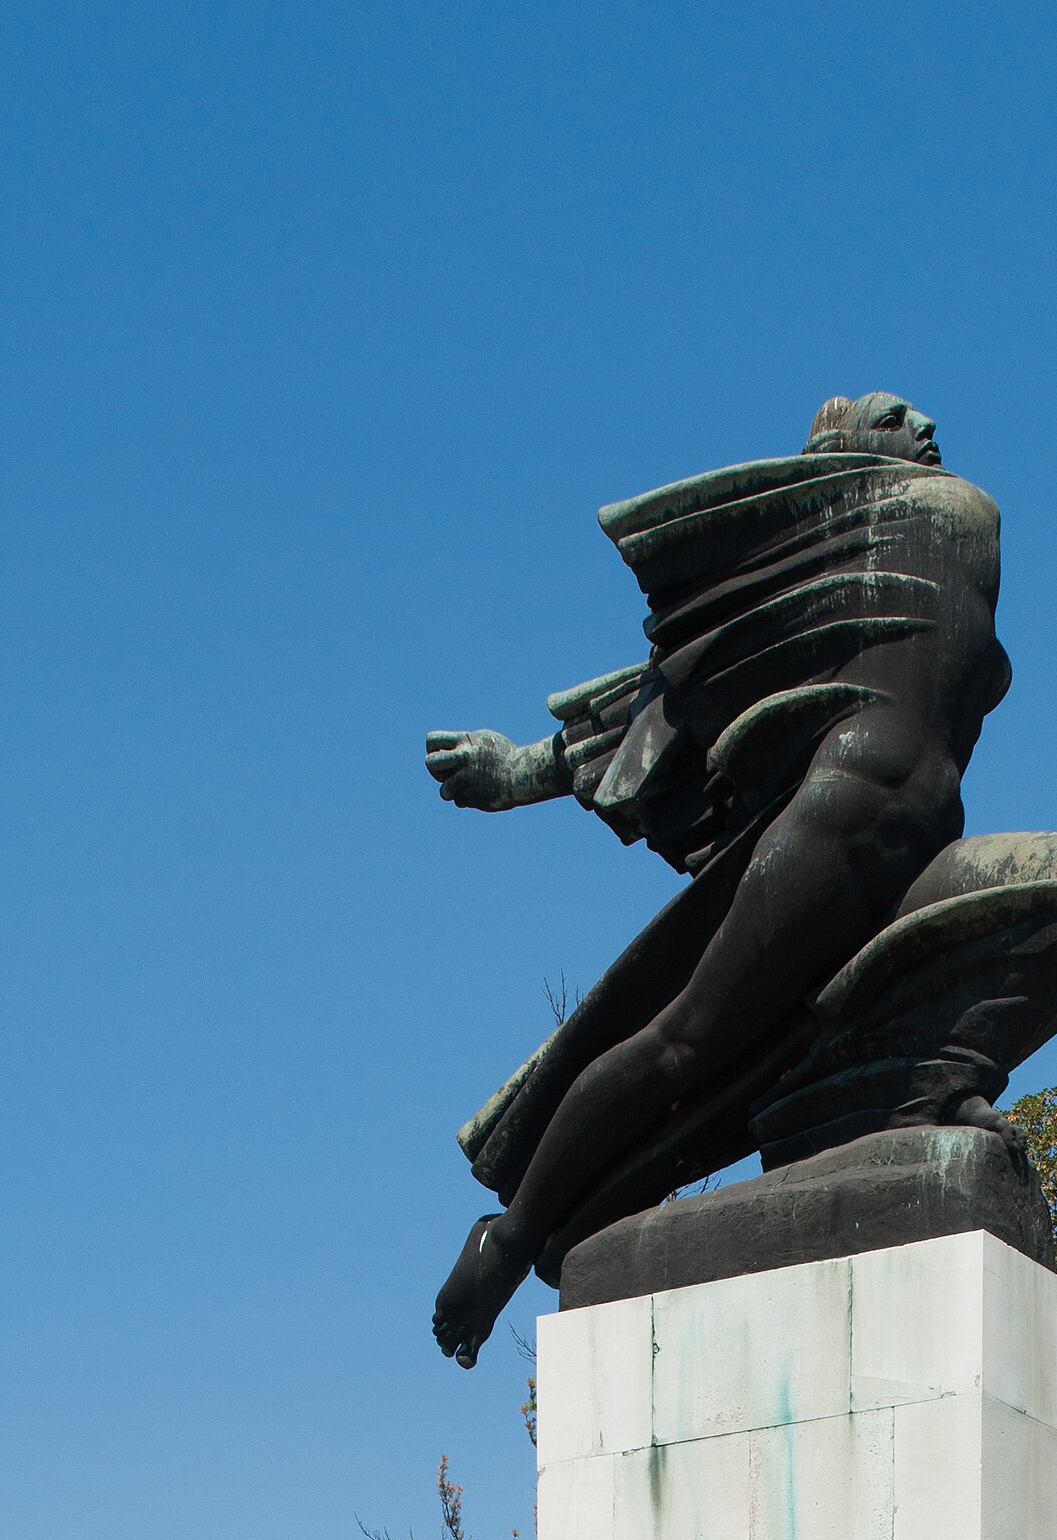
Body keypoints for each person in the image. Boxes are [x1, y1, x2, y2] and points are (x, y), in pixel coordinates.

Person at [426, 395, 1016, 1363]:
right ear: (840, 453)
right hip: (845, 808)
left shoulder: (925, 539)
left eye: (918, 416)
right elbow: (692, 677)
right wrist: (528, 770)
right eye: (891, 416)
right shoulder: (894, 519)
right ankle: (513, 1232)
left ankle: (893, 1096)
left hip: (918, 827)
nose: (921, 424)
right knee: (689, 1036)